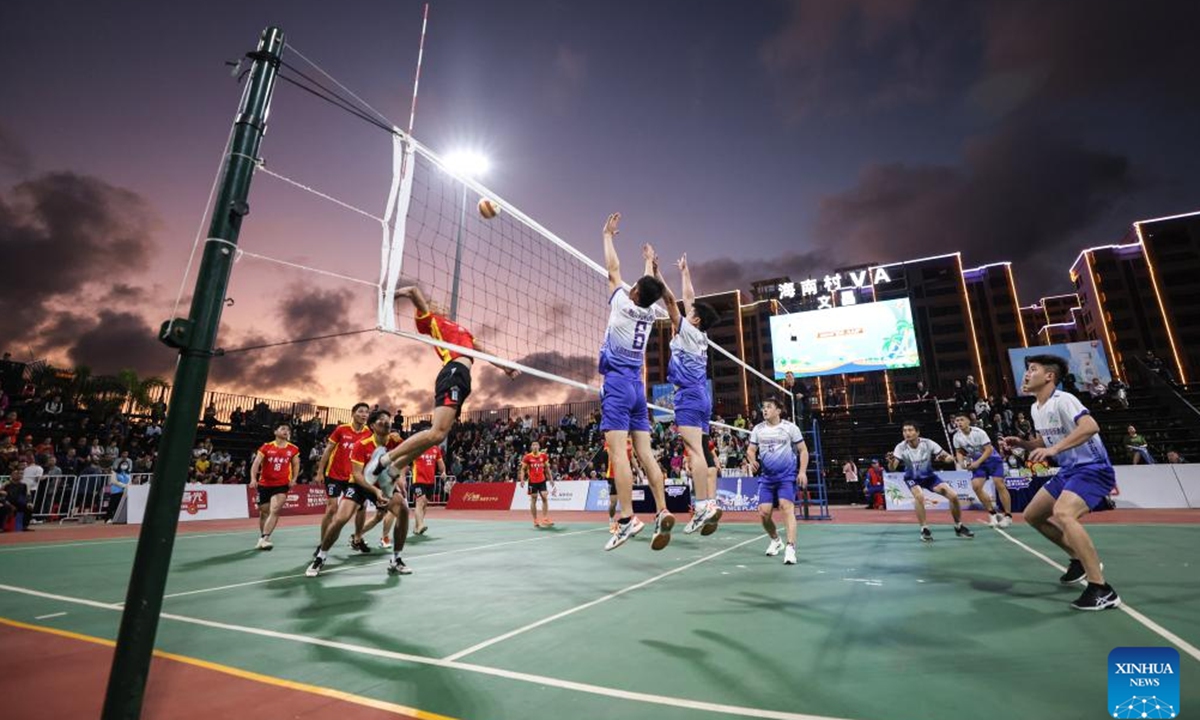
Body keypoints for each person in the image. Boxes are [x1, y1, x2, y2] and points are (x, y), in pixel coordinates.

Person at [1001, 354, 1120, 611]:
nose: (1026, 374)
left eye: (1032, 369)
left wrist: (1054, 450)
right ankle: (1077, 559)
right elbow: (1045, 441)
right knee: (1033, 515)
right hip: (1068, 470)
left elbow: (1090, 426)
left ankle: (1101, 589)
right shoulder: (1036, 408)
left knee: (1064, 513)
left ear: (1049, 376)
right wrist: (1022, 443)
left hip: (1092, 468)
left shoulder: (1064, 400)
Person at [372, 284, 518, 490]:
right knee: (436, 434)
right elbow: (414, 291)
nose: (440, 304)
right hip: (452, 372)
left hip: (464, 377)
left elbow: (483, 352)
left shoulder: (463, 331)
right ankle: (385, 460)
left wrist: (506, 367)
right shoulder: (430, 320)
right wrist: (392, 295)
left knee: (437, 436)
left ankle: (395, 468)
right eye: (434, 303)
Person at [595, 213, 673, 552]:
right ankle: (662, 510)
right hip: (637, 388)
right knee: (645, 452)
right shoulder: (651, 312)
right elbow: (649, 290)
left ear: (635, 290)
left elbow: (613, 270)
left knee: (619, 454)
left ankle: (627, 519)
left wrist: (607, 235)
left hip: (616, 384)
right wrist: (649, 265)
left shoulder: (622, 304)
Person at [654, 251, 723, 536]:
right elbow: (689, 299)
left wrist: (656, 276)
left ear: (694, 321)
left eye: (691, 313)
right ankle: (709, 502)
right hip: (702, 397)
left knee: (693, 450)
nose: (688, 311)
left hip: (689, 396)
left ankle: (704, 505)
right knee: (703, 451)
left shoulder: (689, 331)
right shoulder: (700, 335)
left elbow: (671, 302)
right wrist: (684, 272)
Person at [307, 409, 403, 577]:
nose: (387, 423)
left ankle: (396, 558)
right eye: (382, 421)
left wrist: (397, 479)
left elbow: (404, 459)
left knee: (402, 509)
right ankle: (321, 556)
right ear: (373, 426)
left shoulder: (395, 441)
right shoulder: (362, 444)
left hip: (382, 484)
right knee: (340, 518)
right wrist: (374, 491)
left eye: (389, 421)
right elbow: (357, 475)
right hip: (359, 483)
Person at [746, 397, 808, 565]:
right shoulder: (758, 429)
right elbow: (751, 450)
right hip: (766, 477)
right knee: (764, 513)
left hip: (786, 476)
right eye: (763, 407)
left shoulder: (790, 428)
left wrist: (802, 471)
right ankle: (776, 540)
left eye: (769, 407)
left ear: (778, 411)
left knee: (785, 507)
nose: (764, 410)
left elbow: (803, 450)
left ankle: (790, 547)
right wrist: (752, 460)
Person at [892, 422, 974, 542]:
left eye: (910, 430)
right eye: (904, 431)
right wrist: (890, 462)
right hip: (912, 478)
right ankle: (924, 529)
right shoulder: (900, 447)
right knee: (919, 496)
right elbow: (893, 468)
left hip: (929, 477)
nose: (907, 433)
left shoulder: (928, 443)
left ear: (917, 432)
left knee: (954, 496)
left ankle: (959, 526)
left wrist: (944, 458)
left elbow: (949, 458)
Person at [315, 403, 373, 554]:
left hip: (354, 477)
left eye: (367, 412)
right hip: (334, 474)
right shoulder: (341, 429)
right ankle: (323, 543)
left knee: (361, 507)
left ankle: (358, 539)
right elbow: (328, 450)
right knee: (332, 508)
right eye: (361, 411)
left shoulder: (369, 433)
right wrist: (320, 471)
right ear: (353, 413)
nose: (364, 415)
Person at [951, 413, 1013, 528]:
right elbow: (959, 451)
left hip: (992, 459)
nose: (959, 422)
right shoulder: (956, 436)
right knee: (976, 486)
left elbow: (988, 450)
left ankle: (1008, 516)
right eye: (957, 420)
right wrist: (961, 463)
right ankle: (993, 514)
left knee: (999, 484)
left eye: (962, 420)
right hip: (978, 462)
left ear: (968, 421)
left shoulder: (979, 433)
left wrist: (977, 463)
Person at [248, 422, 301, 550]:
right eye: (283, 429)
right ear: (275, 432)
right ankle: (264, 537)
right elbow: (256, 464)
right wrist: (253, 478)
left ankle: (264, 538)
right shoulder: (266, 447)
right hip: (265, 484)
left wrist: (294, 478)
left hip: (282, 484)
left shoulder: (293, 449)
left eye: (288, 430)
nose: (286, 431)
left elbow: (295, 465)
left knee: (275, 509)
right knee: (264, 512)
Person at [409, 443, 445, 538]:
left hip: (430, 481)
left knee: (425, 504)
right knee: (420, 501)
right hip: (418, 480)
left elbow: (440, 462)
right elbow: (407, 463)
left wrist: (443, 472)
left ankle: (417, 527)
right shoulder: (417, 448)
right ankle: (421, 525)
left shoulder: (436, 449)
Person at [519, 440, 555, 527]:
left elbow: (547, 469)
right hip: (532, 482)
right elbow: (523, 469)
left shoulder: (543, 456)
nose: (535, 446)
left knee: (544, 497)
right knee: (533, 499)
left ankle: (545, 518)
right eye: (533, 445)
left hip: (542, 480)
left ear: (539, 447)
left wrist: (551, 479)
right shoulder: (527, 457)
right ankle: (535, 520)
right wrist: (522, 479)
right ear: (531, 447)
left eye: (536, 445)